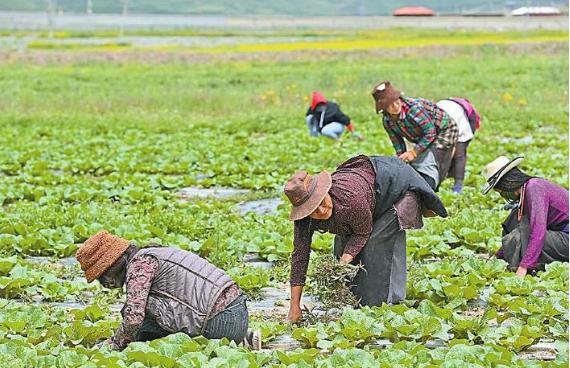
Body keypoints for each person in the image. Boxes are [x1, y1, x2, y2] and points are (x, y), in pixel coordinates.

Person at [284, 155, 448, 323]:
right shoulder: (304, 221)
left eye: (321, 201)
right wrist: (294, 305)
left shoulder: (350, 199)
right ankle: (356, 299)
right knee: (343, 245)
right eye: (313, 209)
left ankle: (389, 302)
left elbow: (362, 233)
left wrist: (345, 261)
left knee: (375, 243)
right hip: (367, 197)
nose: (321, 210)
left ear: (325, 191)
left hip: (396, 188)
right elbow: (300, 257)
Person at [75, 230, 261, 351]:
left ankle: (223, 341)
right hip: (237, 312)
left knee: (140, 329)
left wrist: (112, 346)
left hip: (220, 321)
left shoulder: (140, 266)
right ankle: (238, 340)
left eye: (102, 276)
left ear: (113, 264)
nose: (106, 283)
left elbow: (133, 318)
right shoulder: (154, 253)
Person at [482, 156, 569, 277]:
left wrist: (524, 267)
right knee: (514, 219)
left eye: (501, 191)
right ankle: (511, 259)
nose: (503, 195)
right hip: (559, 234)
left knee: (519, 237)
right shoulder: (526, 191)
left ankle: (525, 265)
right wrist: (497, 256)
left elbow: (538, 230)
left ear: (508, 183)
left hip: (567, 238)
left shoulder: (534, 188)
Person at [371, 81, 458, 191]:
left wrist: (414, 152)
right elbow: (397, 142)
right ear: (384, 108)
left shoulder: (413, 109)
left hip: (444, 129)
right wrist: (402, 159)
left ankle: (432, 188)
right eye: (390, 105)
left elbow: (430, 132)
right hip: (422, 134)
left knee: (431, 159)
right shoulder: (387, 121)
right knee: (414, 161)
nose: (395, 105)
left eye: (396, 101)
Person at [436, 97, 481, 193]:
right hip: (448, 113)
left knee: (459, 154)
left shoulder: (458, 120)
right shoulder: (432, 121)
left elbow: (453, 147)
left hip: (461, 120)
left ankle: (458, 186)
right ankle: (443, 178)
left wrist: (450, 154)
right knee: (441, 154)